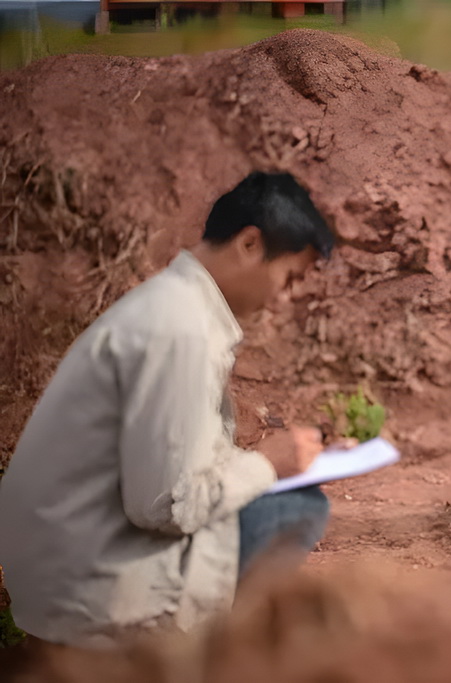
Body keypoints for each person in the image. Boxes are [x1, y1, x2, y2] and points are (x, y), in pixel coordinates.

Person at [0, 172, 337, 647]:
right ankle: (199, 656)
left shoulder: (175, 308)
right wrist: (268, 464)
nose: (286, 295)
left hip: (74, 556)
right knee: (294, 510)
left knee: (285, 501)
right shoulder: (181, 330)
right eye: (290, 276)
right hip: (91, 585)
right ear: (249, 244)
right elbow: (165, 506)